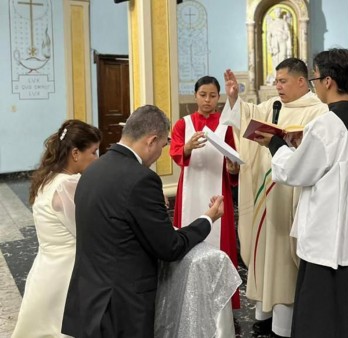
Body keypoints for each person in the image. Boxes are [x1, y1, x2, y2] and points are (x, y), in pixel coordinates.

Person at [254, 48, 348, 338]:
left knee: (322, 313)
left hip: (328, 239)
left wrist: (276, 145)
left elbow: (295, 172)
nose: (313, 83)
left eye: (314, 77)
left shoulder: (326, 124)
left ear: (328, 81)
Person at [61, 105, 224, 338]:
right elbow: (170, 247)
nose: (161, 153)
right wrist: (207, 219)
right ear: (151, 140)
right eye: (163, 145)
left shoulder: (92, 170)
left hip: (88, 295)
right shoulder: (141, 179)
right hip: (122, 305)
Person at [221, 58, 328, 337]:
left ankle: (285, 320)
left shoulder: (318, 111)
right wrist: (234, 99)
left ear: (302, 81)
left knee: (283, 256)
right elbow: (247, 116)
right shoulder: (272, 106)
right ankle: (264, 311)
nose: (277, 86)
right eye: (276, 81)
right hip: (263, 193)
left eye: (282, 81)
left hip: (290, 195)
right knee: (264, 250)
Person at [12, 120, 101, 338]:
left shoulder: (47, 179)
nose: (97, 158)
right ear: (75, 153)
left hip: (45, 268)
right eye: (94, 152)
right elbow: (85, 231)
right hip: (67, 272)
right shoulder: (67, 185)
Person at [169, 75, 240, 309]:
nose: (207, 100)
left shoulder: (224, 124)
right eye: (203, 95)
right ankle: (187, 295)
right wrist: (187, 147)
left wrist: (232, 167)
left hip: (217, 187)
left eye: (212, 95)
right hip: (192, 186)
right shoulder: (184, 123)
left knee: (220, 241)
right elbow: (175, 152)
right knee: (188, 238)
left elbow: (233, 158)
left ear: (218, 97)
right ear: (195, 95)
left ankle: (221, 302)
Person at [266, 7, 292, 84]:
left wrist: (289, 47)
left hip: (282, 41)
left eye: (278, 12)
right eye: (276, 12)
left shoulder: (284, 22)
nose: (277, 13)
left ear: (280, 13)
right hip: (274, 43)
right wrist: (269, 46)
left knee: (283, 59)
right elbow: (268, 36)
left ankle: (284, 77)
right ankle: (276, 77)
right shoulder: (272, 23)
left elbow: (288, 34)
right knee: (275, 60)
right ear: (274, 13)